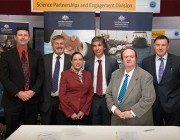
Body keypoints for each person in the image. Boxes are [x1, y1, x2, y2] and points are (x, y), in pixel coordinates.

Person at [0, 26, 44, 138]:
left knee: (30, 134)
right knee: (13, 134)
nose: (23, 37)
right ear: (15, 37)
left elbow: (41, 76)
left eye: (25, 35)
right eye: (20, 35)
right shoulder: (6, 55)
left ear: (29, 38)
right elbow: (4, 78)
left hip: (32, 101)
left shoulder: (37, 54)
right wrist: (18, 93)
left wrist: (33, 91)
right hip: (12, 101)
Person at [106, 47, 156, 125]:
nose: (128, 59)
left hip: (136, 121)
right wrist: (114, 109)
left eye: (131, 57)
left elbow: (148, 98)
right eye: (126, 57)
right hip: (117, 120)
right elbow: (108, 94)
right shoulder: (115, 74)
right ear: (122, 60)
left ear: (136, 58)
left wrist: (131, 113)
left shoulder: (145, 76)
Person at [142, 35, 180, 126]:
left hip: (173, 105)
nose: (160, 47)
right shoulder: (146, 62)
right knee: (155, 133)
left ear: (168, 46)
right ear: (154, 46)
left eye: (163, 45)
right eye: (157, 45)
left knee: (173, 133)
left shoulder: (177, 61)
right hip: (153, 105)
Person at [84, 36, 119, 125]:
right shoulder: (88, 63)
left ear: (104, 47)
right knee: (94, 125)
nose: (97, 48)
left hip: (108, 99)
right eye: (94, 46)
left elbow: (116, 82)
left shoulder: (112, 62)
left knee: (107, 125)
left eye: (99, 45)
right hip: (93, 99)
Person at [40, 35, 71, 125]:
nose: (59, 46)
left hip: (64, 103)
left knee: (62, 131)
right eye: (56, 43)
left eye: (61, 43)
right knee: (46, 132)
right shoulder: (44, 59)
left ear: (65, 45)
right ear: (52, 45)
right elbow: (39, 79)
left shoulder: (71, 60)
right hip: (46, 102)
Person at [59, 52, 93, 125]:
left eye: (80, 59)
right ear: (71, 61)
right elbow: (62, 95)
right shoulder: (65, 74)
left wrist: (83, 111)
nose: (78, 62)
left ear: (83, 61)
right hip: (67, 113)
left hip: (83, 114)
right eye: (75, 60)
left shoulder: (88, 74)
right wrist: (71, 113)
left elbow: (90, 93)